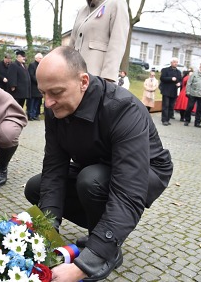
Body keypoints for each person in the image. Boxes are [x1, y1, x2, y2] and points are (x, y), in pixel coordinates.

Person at [24, 47, 173, 281]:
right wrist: (47, 232)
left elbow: (128, 191)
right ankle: (105, 229)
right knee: (36, 187)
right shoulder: (54, 109)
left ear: (83, 81)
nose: (48, 103)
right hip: (97, 165)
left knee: (91, 180)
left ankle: (106, 250)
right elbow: (54, 168)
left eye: (56, 92)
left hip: (145, 171)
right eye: (43, 93)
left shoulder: (123, 108)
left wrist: (85, 263)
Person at [69, 0, 129, 83]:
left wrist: (106, 81)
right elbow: (71, 45)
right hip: (73, 79)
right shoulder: (82, 11)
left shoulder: (116, 4)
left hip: (96, 81)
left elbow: (117, 46)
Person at [184, 63, 201, 127]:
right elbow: (189, 83)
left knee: (200, 109)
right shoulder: (194, 74)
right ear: (199, 67)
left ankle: (197, 122)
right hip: (192, 93)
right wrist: (187, 92)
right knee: (189, 107)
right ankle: (187, 120)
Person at [160, 57, 182, 126]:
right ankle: (164, 120)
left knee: (171, 106)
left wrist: (180, 83)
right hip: (166, 90)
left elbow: (180, 80)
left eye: (176, 62)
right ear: (171, 63)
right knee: (165, 105)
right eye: (174, 62)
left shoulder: (178, 72)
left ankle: (168, 119)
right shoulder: (165, 70)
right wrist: (170, 78)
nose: (176, 63)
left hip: (174, 91)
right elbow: (162, 78)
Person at [27, 53, 43, 120]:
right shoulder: (32, 65)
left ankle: (36, 114)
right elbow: (31, 75)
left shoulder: (42, 65)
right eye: (40, 58)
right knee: (32, 102)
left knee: (37, 102)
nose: (41, 59)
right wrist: (39, 81)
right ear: (36, 58)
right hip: (33, 87)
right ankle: (30, 115)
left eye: (42, 58)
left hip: (39, 87)